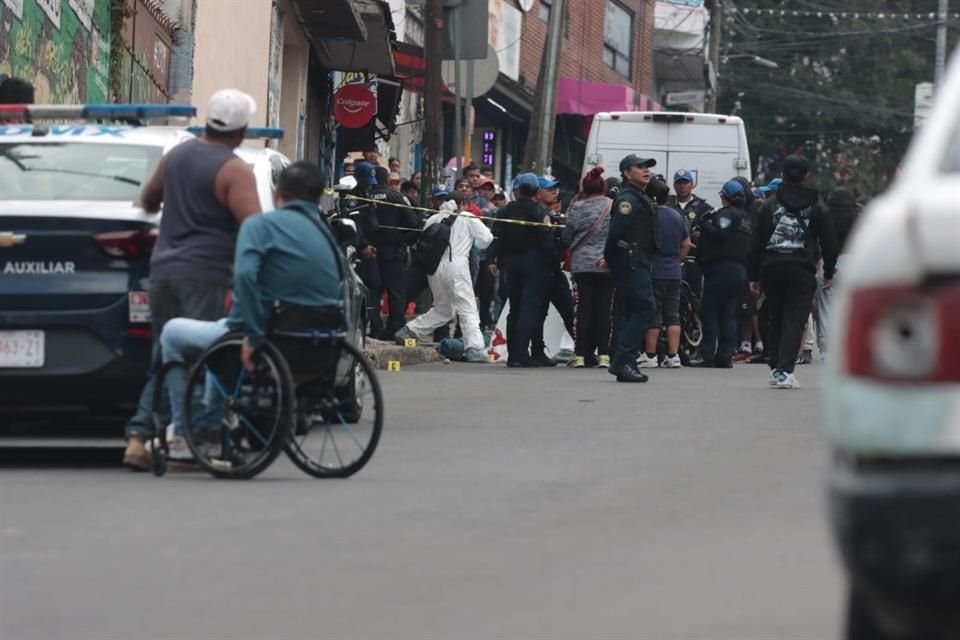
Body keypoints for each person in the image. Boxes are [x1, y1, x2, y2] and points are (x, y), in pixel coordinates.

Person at [157, 161, 344, 458]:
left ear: (277, 191)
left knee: (172, 333)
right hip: (320, 340)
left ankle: (183, 432)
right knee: (222, 341)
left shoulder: (260, 226)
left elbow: (245, 276)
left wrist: (253, 337)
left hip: (268, 336)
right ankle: (209, 419)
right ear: (319, 197)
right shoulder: (325, 236)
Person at [123, 89, 262, 470]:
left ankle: (139, 436)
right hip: (207, 275)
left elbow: (148, 201)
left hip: (164, 271)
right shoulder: (235, 170)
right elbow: (253, 229)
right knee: (207, 357)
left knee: (164, 356)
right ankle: (196, 438)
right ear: (241, 129)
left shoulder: (176, 156)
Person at [748, 155, 838, 389]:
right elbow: (829, 242)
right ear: (807, 175)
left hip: (772, 267)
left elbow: (756, 242)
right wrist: (829, 272)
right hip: (802, 268)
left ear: (782, 175)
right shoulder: (817, 206)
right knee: (795, 319)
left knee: (775, 316)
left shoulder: (768, 205)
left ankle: (775, 366)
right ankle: (784, 371)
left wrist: (753, 276)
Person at [394, 192, 493, 362]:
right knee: (467, 308)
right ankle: (474, 347)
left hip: (434, 269)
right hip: (457, 266)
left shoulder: (434, 219)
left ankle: (410, 330)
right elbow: (486, 239)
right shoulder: (467, 217)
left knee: (443, 309)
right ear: (463, 204)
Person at [604, 154, 659, 383]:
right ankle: (623, 361)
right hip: (630, 261)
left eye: (647, 167)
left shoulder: (640, 196)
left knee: (630, 311)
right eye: (640, 167)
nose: (646, 170)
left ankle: (625, 359)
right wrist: (609, 258)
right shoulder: (628, 200)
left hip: (638, 260)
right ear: (627, 173)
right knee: (645, 309)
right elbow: (615, 234)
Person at [495, 173, 556, 367]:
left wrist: (497, 261)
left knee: (515, 308)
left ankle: (514, 354)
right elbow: (547, 242)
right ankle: (521, 354)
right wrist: (553, 265)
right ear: (537, 191)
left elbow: (497, 238)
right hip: (535, 267)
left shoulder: (504, 211)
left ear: (517, 190)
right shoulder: (539, 213)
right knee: (529, 310)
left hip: (511, 266)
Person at [694, 179, 753, 368]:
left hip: (721, 268)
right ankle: (725, 356)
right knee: (728, 314)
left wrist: (704, 225)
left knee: (710, 312)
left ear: (724, 196)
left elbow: (720, 234)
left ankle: (707, 355)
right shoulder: (745, 217)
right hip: (739, 270)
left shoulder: (727, 214)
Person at [562, 167, 614, 369]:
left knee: (583, 311)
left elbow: (567, 237)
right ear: (604, 187)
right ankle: (604, 355)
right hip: (606, 264)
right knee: (604, 311)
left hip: (582, 265)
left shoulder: (577, 208)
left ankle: (581, 355)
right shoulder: (612, 205)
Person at [640, 178, 691, 369]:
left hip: (654, 270)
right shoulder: (677, 216)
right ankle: (673, 355)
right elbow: (686, 244)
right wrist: (678, 260)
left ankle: (650, 355)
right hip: (674, 272)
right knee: (673, 315)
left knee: (654, 314)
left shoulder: (649, 216)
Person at [366, 165, 420, 339]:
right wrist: (403, 238)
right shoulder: (397, 198)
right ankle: (394, 329)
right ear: (387, 180)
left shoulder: (364, 197)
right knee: (396, 292)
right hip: (393, 251)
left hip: (369, 252)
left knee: (373, 292)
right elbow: (413, 223)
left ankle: (375, 328)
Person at [814, 187, 860, 359]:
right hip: (854, 263)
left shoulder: (824, 219)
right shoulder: (858, 220)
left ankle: (827, 349)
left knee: (826, 308)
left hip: (830, 263)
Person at [668, 169, 714, 299]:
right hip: (672, 259)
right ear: (674, 185)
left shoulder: (703, 207)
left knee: (693, 296)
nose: (682, 186)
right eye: (679, 183)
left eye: (685, 183)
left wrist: (701, 234)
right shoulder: (668, 204)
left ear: (692, 184)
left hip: (694, 260)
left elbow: (712, 232)